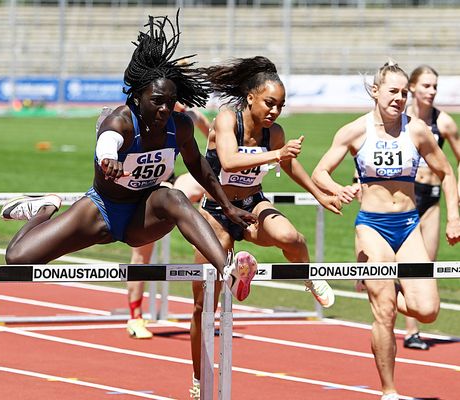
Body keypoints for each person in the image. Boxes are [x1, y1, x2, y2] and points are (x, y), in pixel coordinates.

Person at [0, 11, 259, 330]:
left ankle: (227, 270)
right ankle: (45, 207)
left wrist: (227, 206)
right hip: (103, 211)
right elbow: (106, 143)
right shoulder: (121, 121)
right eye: (157, 101)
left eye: (171, 101)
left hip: (144, 215)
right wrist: (107, 157)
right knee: (17, 261)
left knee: (173, 197)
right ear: (137, 98)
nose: (164, 109)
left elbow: (201, 168)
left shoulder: (179, 126)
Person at [188, 56, 342, 399]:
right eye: (270, 103)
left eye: (281, 106)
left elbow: (290, 165)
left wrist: (319, 194)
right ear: (251, 98)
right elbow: (229, 161)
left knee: (290, 237)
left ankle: (305, 275)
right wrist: (275, 155)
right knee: (203, 305)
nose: (275, 111)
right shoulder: (227, 119)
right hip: (216, 209)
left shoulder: (276, 133)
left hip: (251, 203)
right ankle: (200, 378)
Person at [311, 60, 460, 400]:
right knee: (385, 312)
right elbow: (320, 172)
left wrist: (454, 217)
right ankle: (389, 390)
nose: (399, 98)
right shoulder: (354, 131)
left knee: (428, 309)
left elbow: (447, 171)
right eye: (393, 91)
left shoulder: (417, 130)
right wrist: (337, 189)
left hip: (408, 226)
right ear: (376, 91)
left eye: (404, 93)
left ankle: (385, 287)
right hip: (372, 227)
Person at [124, 104, 211, 340]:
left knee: (205, 184)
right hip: (142, 185)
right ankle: (135, 317)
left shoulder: (190, 117)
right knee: (142, 255)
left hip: (169, 181)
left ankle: (206, 231)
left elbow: (213, 136)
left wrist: (217, 160)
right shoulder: (142, 116)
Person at [404, 65, 460, 350]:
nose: (431, 91)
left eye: (435, 86)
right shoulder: (402, 121)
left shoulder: (445, 123)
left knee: (426, 265)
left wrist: (457, 190)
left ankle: (413, 328)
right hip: (405, 199)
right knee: (406, 265)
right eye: (426, 86)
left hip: (432, 199)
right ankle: (404, 326)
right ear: (412, 87)